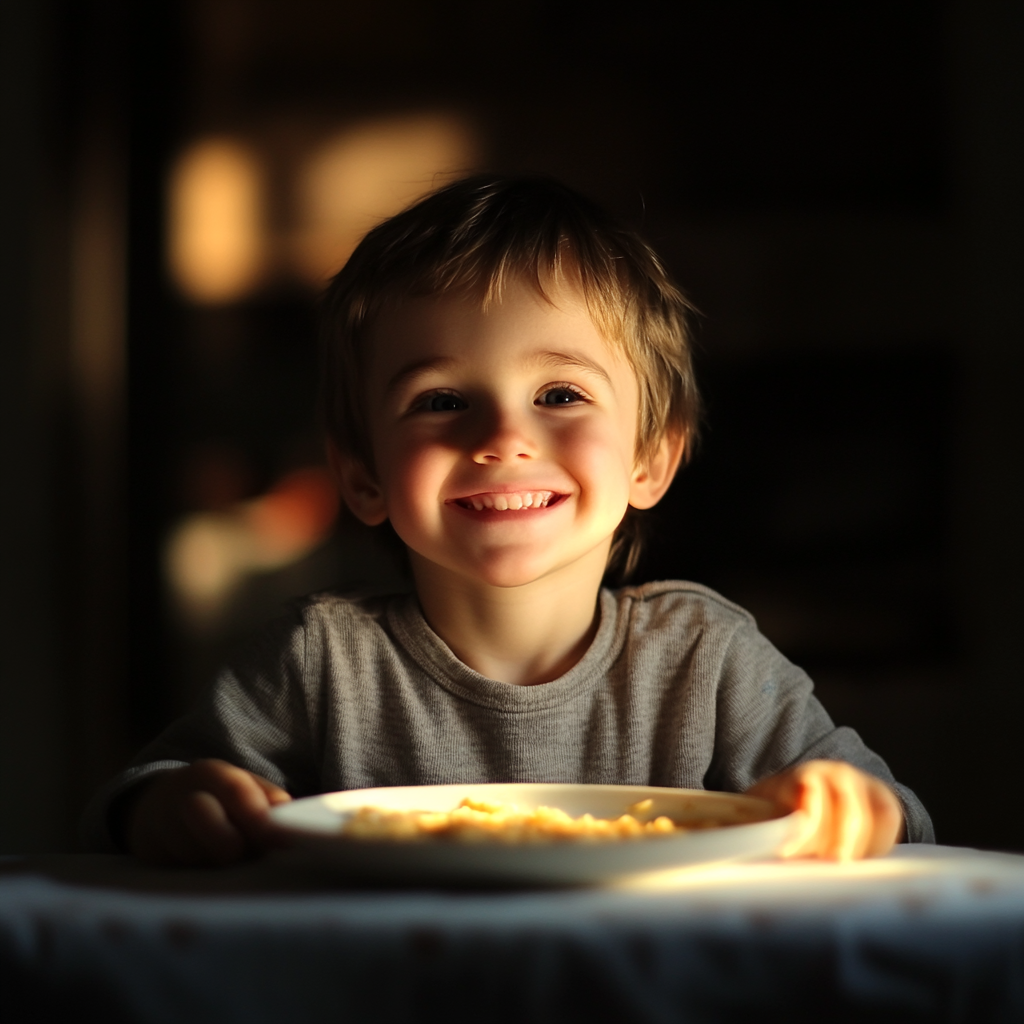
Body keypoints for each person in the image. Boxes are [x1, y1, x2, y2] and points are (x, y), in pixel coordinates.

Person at [84, 176, 933, 865]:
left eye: (560, 394)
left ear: (652, 460)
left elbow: (902, 823)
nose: (502, 439)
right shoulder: (322, 662)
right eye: (441, 400)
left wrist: (851, 808)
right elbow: (141, 796)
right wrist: (168, 805)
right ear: (361, 475)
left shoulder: (704, 660)